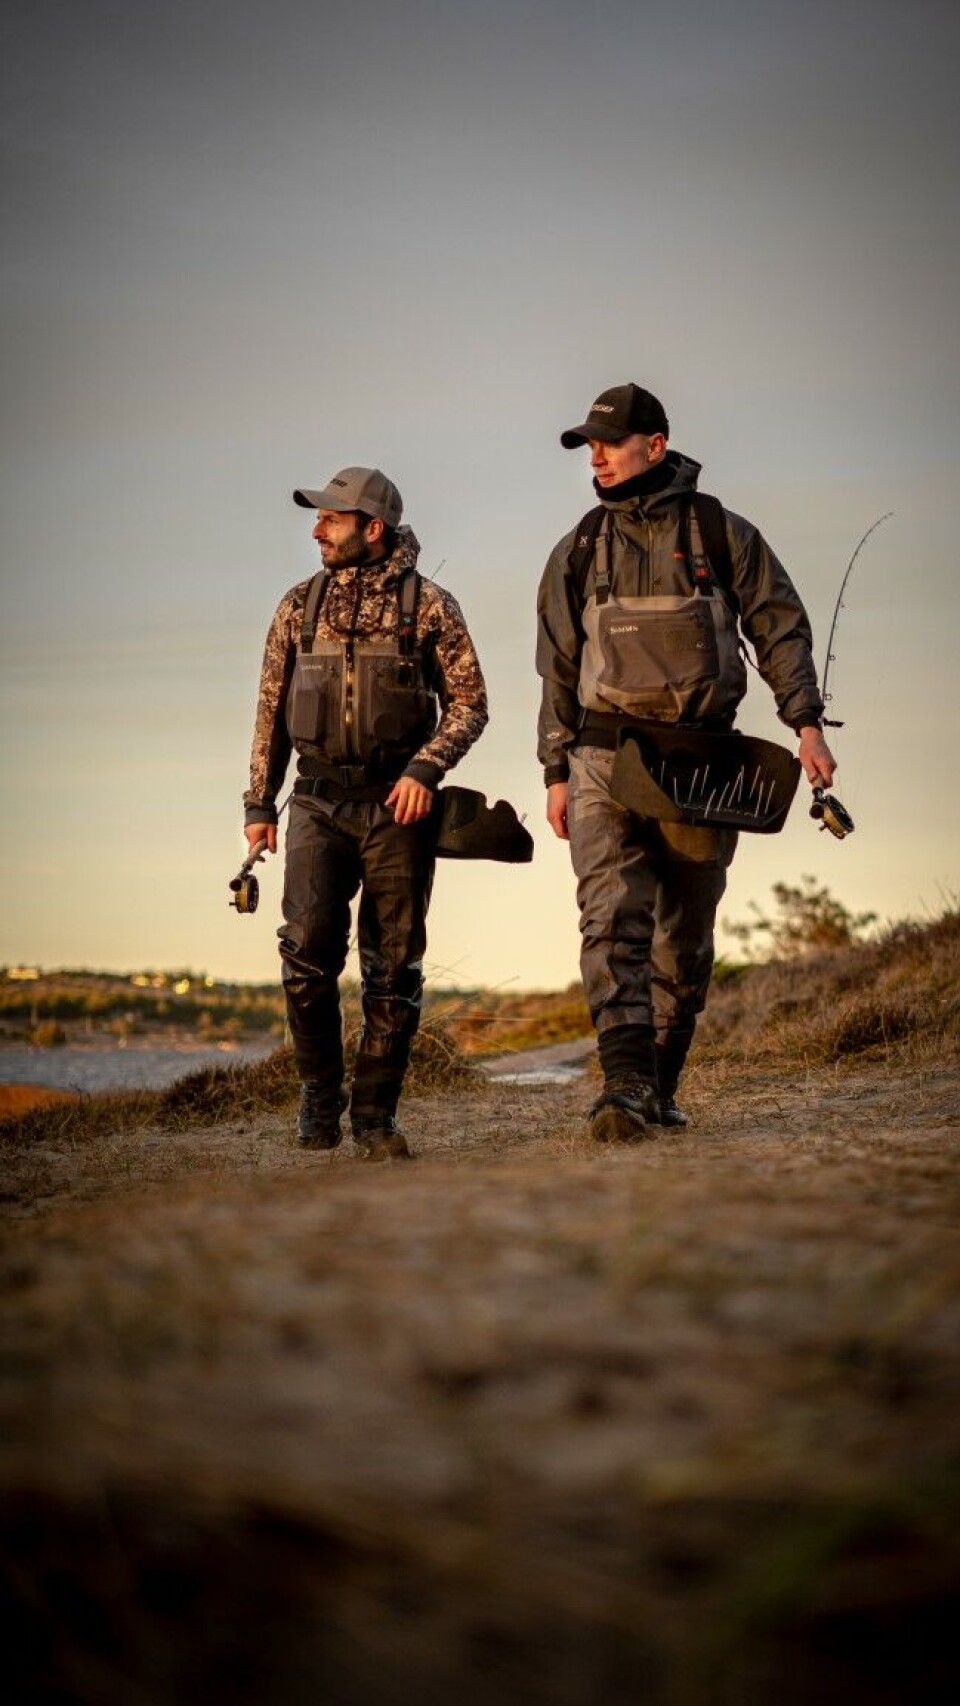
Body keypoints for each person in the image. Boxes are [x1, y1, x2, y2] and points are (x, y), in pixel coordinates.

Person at [536, 383, 836, 1143]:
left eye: (609, 442)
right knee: (610, 920)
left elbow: (780, 629)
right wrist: (555, 771)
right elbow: (557, 668)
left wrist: (806, 726)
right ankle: (623, 1086)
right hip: (603, 756)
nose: (597, 457)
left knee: (684, 941)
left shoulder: (722, 533)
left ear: (656, 445)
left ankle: (660, 1084)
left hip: (704, 763)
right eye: (589, 445)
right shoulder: (578, 548)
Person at [244, 466, 488, 1160]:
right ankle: (320, 1097)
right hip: (315, 804)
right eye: (318, 517)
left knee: (394, 967)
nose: (317, 530)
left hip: (397, 810)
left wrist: (425, 769)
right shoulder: (298, 606)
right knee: (305, 955)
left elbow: (471, 704)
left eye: (331, 518)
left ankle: (376, 1119)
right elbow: (270, 713)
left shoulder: (430, 606)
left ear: (372, 527)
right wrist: (260, 804)